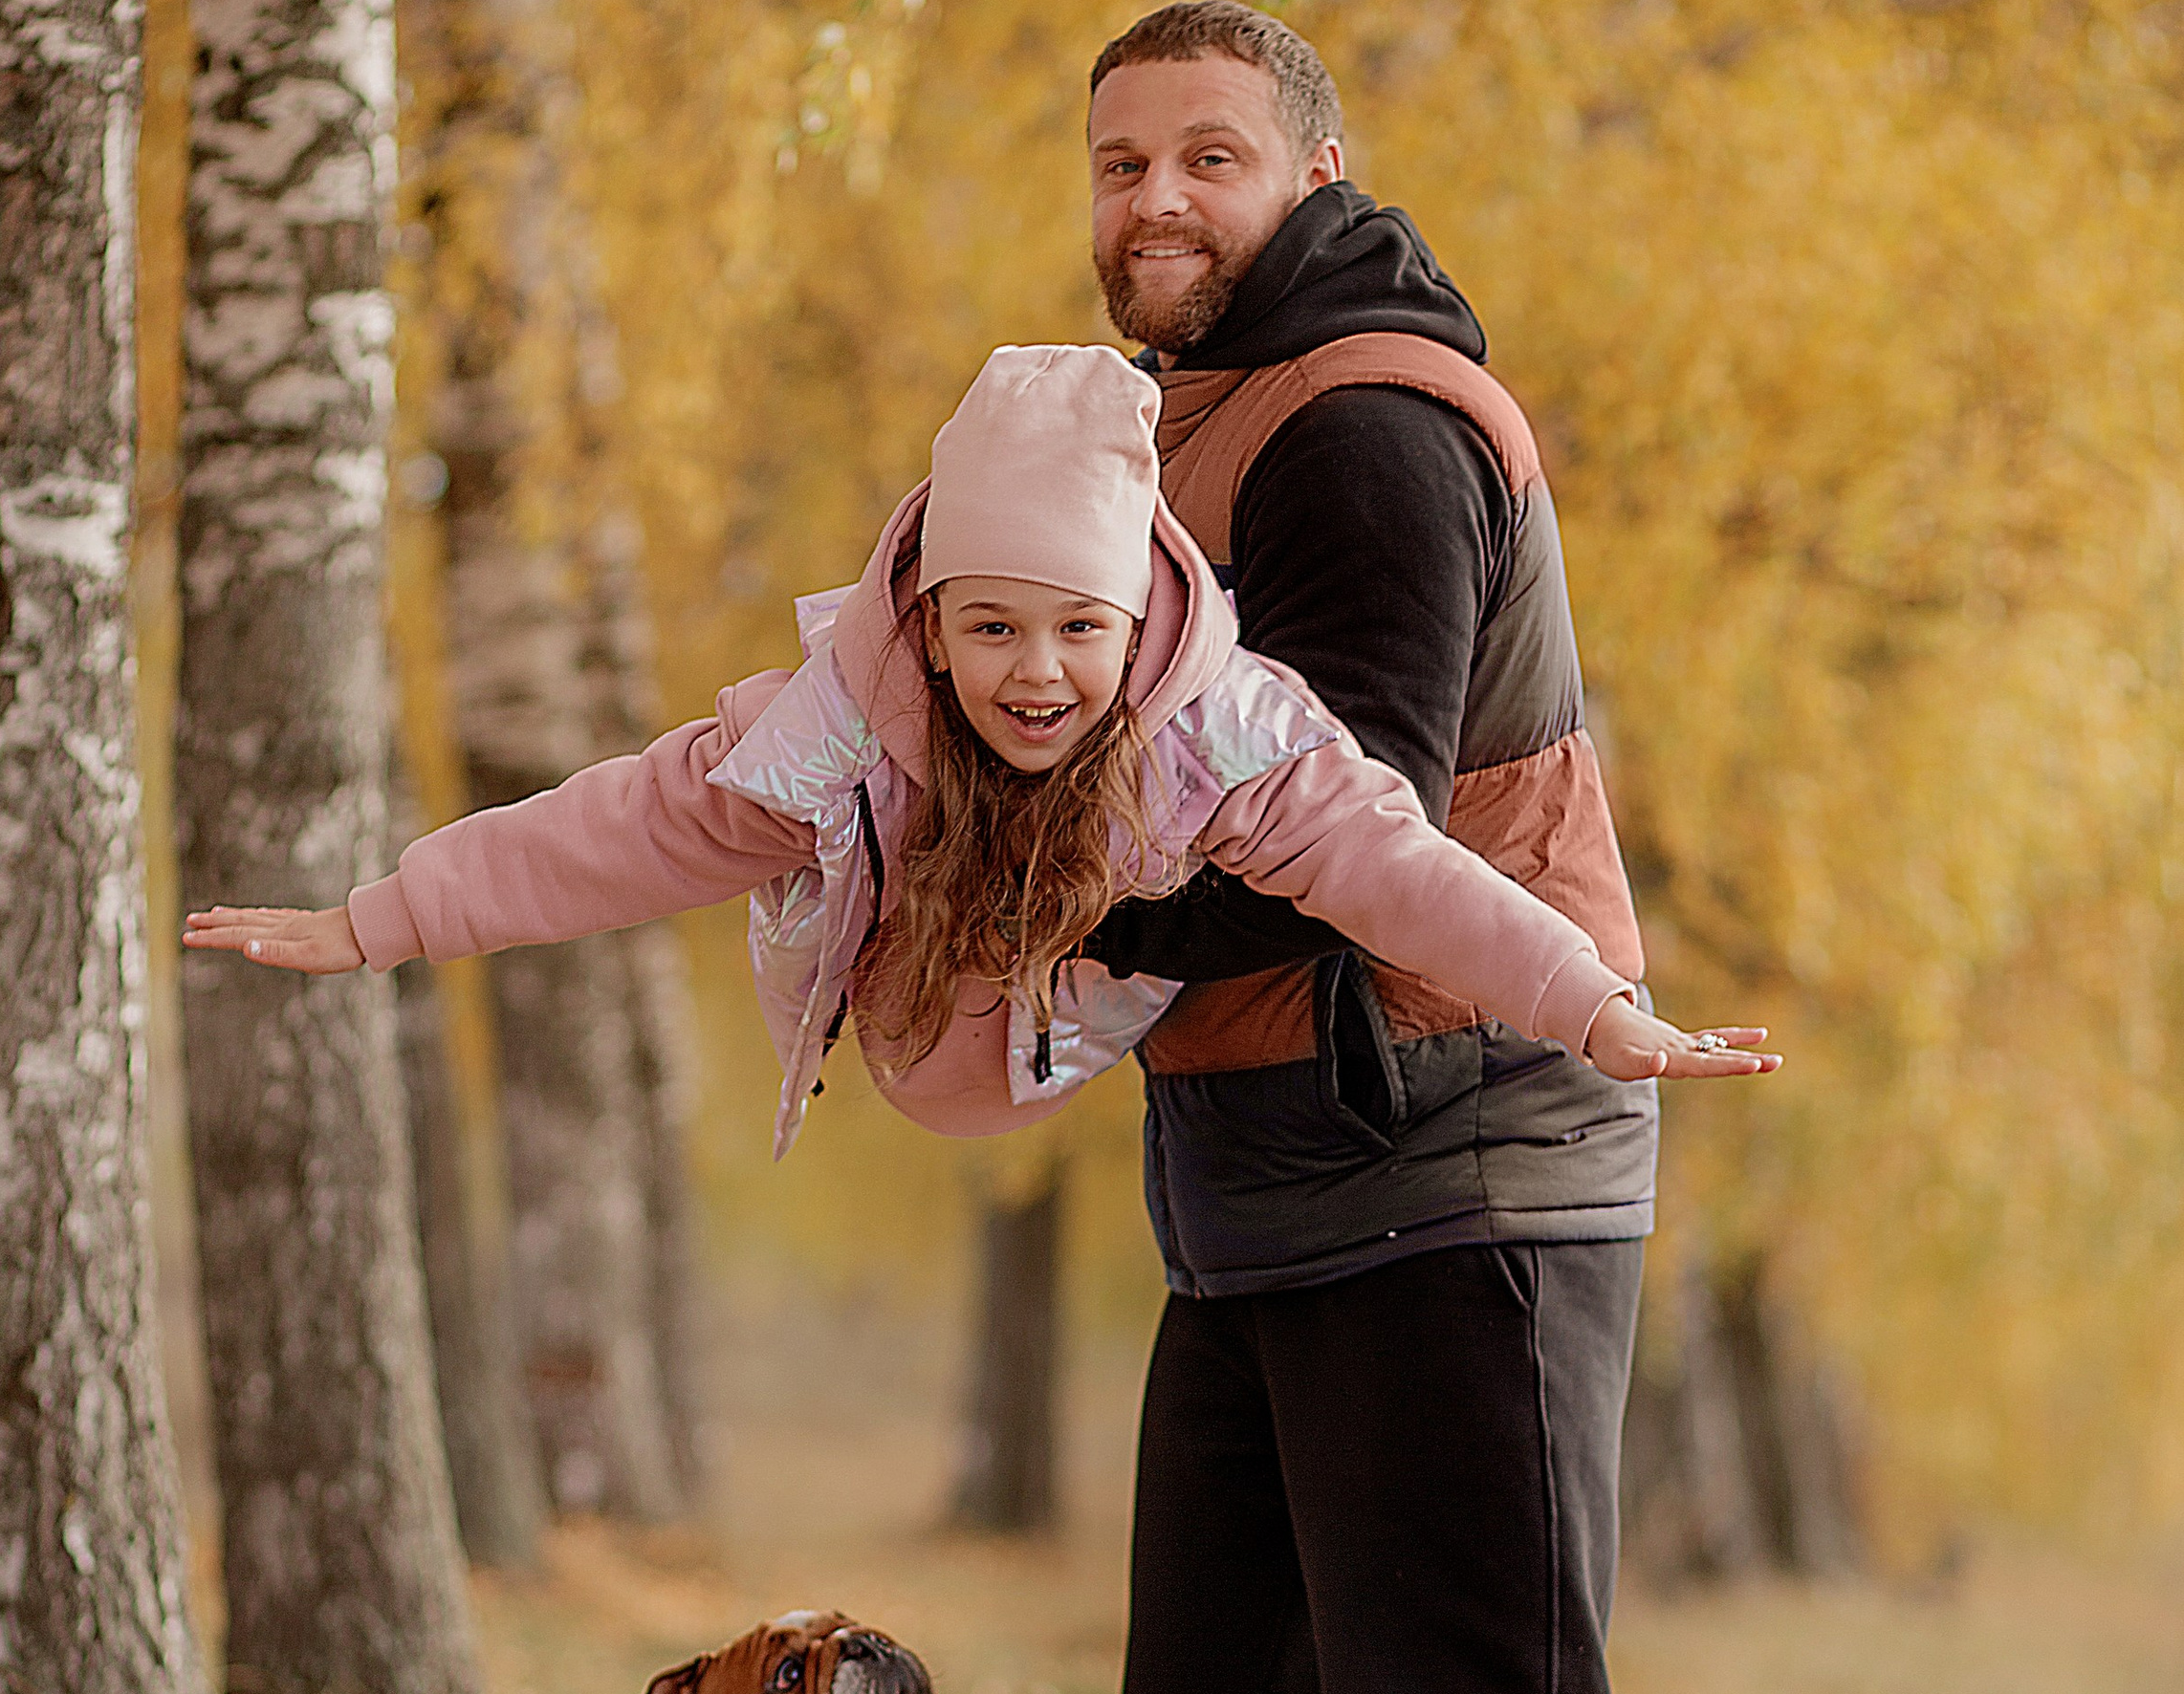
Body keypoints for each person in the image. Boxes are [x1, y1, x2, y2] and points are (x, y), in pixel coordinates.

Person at [1078, 0, 1733, 1694]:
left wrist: (1019, 891)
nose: (1154, 200)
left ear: (1313, 169)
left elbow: (1313, 818)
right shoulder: (1192, 418)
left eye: (1209, 155)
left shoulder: (1359, 415)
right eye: (1118, 159)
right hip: (1274, 1181)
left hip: (1464, 1170)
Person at [186, 355, 1766, 1178]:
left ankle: (1047, 913)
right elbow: (631, 826)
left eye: (1077, 631)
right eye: (991, 630)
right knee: (770, 811)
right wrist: (384, 918)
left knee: (1272, 848)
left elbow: (1410, 878)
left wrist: (1595, 1007)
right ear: (929, 628)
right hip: (912, 987)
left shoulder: (1231, 734)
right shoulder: (846, 713)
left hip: (1069, 985)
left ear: (1137, 618)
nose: (1036, 674)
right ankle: (945, 893)